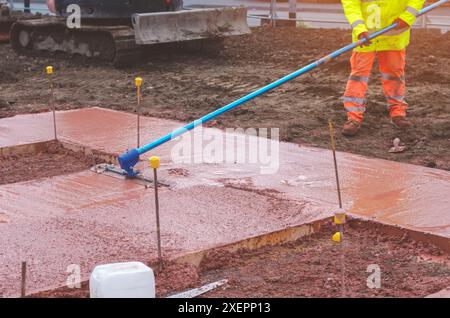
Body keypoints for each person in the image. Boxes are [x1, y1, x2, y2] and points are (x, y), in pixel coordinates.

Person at [341, 0, 425, 136]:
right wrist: (359, 29)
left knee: (393, 75)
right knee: (358, 76)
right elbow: (351, 4)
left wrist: (407, 17)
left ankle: (398, 113)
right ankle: (353, 118)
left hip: (394, 35)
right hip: (365, 37)